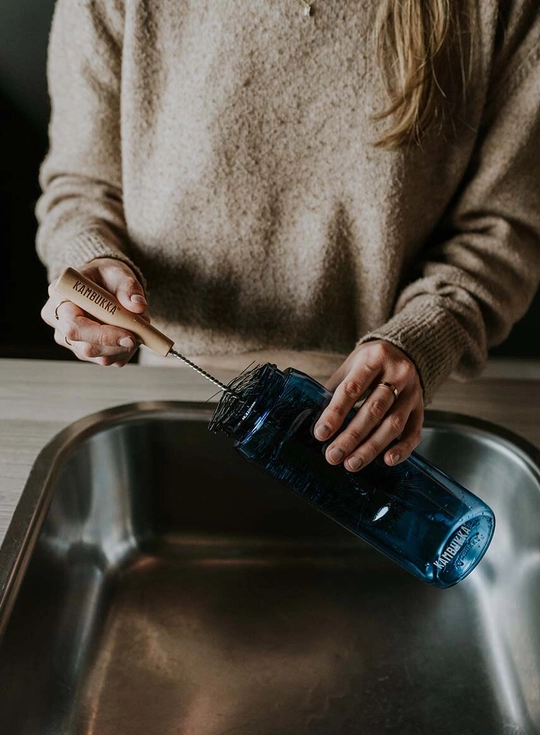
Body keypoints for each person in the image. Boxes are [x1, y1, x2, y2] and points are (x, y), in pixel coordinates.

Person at [39, 0, 540, 474]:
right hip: (170, 387)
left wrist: (423, 338)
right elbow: (81, 188)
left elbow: (504, 230)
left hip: (379, 409)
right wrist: (90, 260)